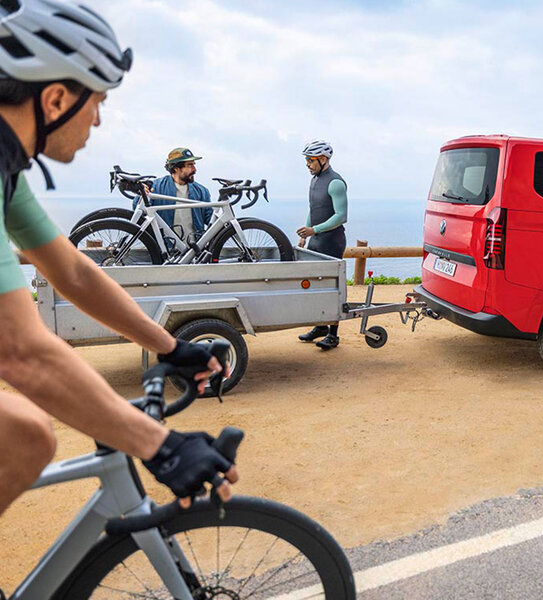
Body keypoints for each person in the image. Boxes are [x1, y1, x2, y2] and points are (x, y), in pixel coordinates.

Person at [0, 0, 238, 524]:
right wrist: (161, 446)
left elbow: (76, 272)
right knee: (24, 434)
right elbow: (20, 350)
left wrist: (171, 346)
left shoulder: (6, 172)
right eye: (98, 101)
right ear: (57, 97)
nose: (100, 119)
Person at [296, 140, 348, 350]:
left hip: (331, 241)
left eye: (310, 160)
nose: (307, 164)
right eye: (306, 160)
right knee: (314, 284)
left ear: (323, 159)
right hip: (316, 239)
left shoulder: (335, 182)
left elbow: (341, 216)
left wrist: (314, 230)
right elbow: (314, 208)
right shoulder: (315, 180)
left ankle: (333, 335)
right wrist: (306, 233)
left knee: (332, 287)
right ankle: (320, 327)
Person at [139, 147, 212, 241]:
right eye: (190, 165)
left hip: (195, 250)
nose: (194, 169)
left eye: (194, 164)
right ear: (176, 168)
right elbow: (140, 211)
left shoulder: (202, 191)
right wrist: (141, 195)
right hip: (166, 249)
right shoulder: (156, 187)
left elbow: (210, 219)